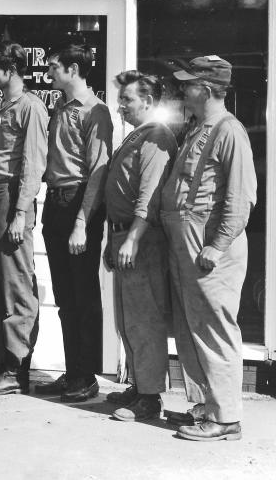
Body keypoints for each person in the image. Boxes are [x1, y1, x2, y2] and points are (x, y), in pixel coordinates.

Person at [160, 56, 256, 441]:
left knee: (215, 329)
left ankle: (227, 417)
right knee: (190, 327)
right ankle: (207, 407)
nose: (183, 90)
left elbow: (241, 198)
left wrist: (216, 246)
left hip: (210, 242)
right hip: (187, 239)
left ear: (207, 88)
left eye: (188, 84)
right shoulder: (200, 127)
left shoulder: (230, 131)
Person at [36, 40, 113, 402]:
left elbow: (98, 171)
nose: (49, 72)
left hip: (78, 204)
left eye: (54, 66)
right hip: (55, 202)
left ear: (73, 69)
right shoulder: (61, 107)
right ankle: (73, 373)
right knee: (67, 296)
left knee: (83, 294)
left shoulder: (95, 112)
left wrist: (82, 221)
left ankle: (86, 377)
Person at [0, 42, 48, 396]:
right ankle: (5, 362)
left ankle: (16, 369)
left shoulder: (30, 107)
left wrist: (20, 213)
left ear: (10, 70)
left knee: (16, 284)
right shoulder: (4, 104)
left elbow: (33, 163)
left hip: (12, 196)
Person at [103, 71, 177, 421]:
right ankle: (139, 385)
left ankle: (150, 399)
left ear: (147, 103)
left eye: (127, 100)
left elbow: (149, 196)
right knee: (128, 319)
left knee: (144, 319)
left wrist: (131, 238)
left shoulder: (156, 138)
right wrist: (113, 239)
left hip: (142, 240)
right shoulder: (136, 137)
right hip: (124, 237)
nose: (121, 107)